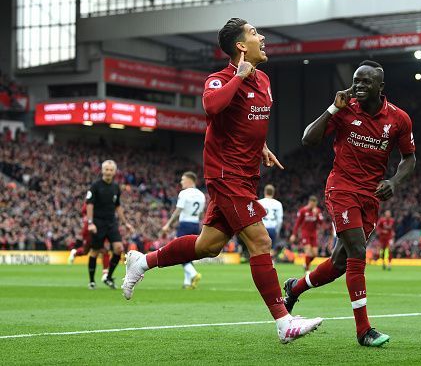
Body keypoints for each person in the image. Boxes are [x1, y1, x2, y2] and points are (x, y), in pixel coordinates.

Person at [122, 18, 322, 343]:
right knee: (260, 242)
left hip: (246, 175)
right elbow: (211, 106)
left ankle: (142, 262)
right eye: (255, 33)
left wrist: (262, 146)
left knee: (207, 246)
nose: (263, 37)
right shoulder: (220, 79)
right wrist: (239, 77)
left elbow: (248, 122)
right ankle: (284, 321)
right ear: (241, 46)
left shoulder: (265, 80)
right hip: (226, 176)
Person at [283, 60, 416, 347]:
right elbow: (308, 139)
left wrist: (393, 181)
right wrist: (333, 108)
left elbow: (409, 158)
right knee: (358, 249)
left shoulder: (399, 119)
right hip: (341, 189)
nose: (358, 86)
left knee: (339, 263)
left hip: (371, 196)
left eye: (366, 82)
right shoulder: (344, 111)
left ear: (381, 87)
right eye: (356, 80)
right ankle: (364, 330)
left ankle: (295, 287)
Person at [86, 160, 134, 289]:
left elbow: (118, 206)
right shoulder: (95, 186)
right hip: (97, 222)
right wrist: (90, 222)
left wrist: (126, 223)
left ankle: (108, 278)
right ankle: (91, 281)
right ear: (102, 170)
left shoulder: (115, 187)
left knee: (118, 248)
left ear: (114, 172)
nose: (108, 172)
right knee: (95, 251)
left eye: (111, 170)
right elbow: (89, 204)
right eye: (106, 169)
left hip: (111, 222)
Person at [161, 171, 205, 289]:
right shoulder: (201, 194)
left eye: (182, 180)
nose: (181, 182)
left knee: (178, 252)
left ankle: (194, 274)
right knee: (187, 253)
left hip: (185, 224)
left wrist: (168, 224)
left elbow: (178, 210)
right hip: (195, 224)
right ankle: (187, 282)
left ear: (190, 180)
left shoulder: (184, 193)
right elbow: (201, 213)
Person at [68, 202, 111, 280]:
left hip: (101, 228)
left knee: (105, 249)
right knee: (85, 251)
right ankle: (75, 252)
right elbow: (84, 210)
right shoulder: (90, 200)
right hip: (89, 229)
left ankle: (105, 274)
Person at [290, 195, 323, 272]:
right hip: (305, 233)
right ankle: (307, 269)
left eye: (314, 204)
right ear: (309, 202)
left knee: (315, 254)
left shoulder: (317, 211)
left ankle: (306, 264)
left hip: (314, 234)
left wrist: (317, 215)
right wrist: (294, 234)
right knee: (308, 252)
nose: (313, 206)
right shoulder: (303, 211)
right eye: (312, 204)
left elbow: (321, 223)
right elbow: (297, 223)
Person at [258, 184, 284, 258]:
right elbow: (280, 220)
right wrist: (277, 231)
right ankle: (270, 263)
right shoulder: (278, 204)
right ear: (273, 192)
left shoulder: (259, 202)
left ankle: (262, 264)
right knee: (271, 249)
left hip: (262, 228)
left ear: (265, 192)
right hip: (272, 228)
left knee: (261, 248)